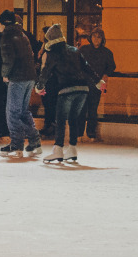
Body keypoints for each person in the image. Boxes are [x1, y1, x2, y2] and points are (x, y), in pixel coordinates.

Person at [36, 24, 100, 163]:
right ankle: (72, 148)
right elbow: (86, 67)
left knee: (60, 119)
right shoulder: (74, 50)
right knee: (73, 118)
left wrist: (39, 86)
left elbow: (46, 72)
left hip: (66, 89)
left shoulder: (53, 53)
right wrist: (98, 81)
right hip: (83, 89)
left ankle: (58, 149)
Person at [0, 9, 42, 157]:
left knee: (12, 113)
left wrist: (5, 74)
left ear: (4, 23)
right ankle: (34, 140)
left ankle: (17, 144)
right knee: (23, 112)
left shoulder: (7, 36)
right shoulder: (23, 35)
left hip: (17, 77)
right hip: (29, 77)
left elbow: (8, 58)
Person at [80, 28, 116, 140]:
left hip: (96, 84)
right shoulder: (84, 50)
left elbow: (112, 66)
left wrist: (106, 74)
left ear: (102, 39)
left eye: (99, 37)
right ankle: (78, 133)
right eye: (94, 36)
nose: (96, 39)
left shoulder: (107, 53)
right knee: (81, 109)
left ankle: (91, 133)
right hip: (83, 83)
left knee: (92, 109)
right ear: (90, 38)